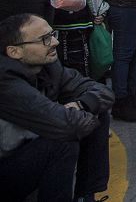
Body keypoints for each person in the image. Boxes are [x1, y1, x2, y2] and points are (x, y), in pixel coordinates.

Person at [0, 13, 114, 202]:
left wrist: (82, 104)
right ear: (14, 52)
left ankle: (86, 196)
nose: (55, 42)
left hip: (24, 151)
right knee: (61, 143)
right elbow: (64, 126)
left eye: (52, 35)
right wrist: (74, 114)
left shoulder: (48, 66)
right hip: (7, 167)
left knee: (96, 112)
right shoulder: (5, 80)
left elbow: (102, 91)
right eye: (45, 39)